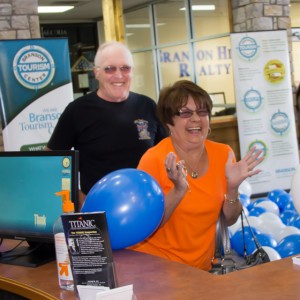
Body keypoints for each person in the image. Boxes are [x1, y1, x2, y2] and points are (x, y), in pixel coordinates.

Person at [131, 80, 264, 271]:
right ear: (169, 122)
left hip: (202, 271)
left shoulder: (223, 154)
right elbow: (147, 226)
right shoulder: (154, 159)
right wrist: (178, 190)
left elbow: (229, 219)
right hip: (159, 269)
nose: (196, 119)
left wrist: (233, 187)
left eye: (202, 112)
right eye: (185, 113)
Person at [46, 41, 167, 207]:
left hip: (146, 207)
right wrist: (78, 196)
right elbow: (51, 161)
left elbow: (166, 153)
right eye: (109, 68)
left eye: (125, 68)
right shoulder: (77, 111)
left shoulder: (148, 106)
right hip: (97, 211)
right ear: (96, 73)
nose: (119, 75)